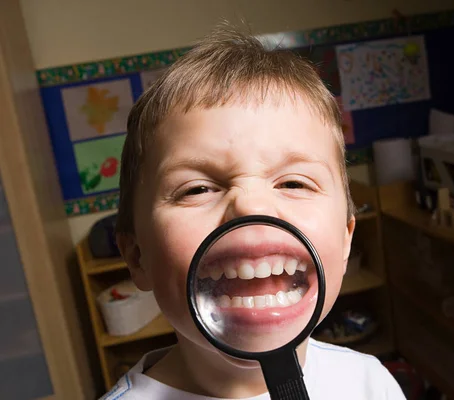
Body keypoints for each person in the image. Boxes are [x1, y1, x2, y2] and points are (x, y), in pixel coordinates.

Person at [102, 23, 406, 400]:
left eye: (294, 183)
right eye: (197, 189)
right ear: (137, 257)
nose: (252, 205)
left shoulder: (369, 384)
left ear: (346, 241)